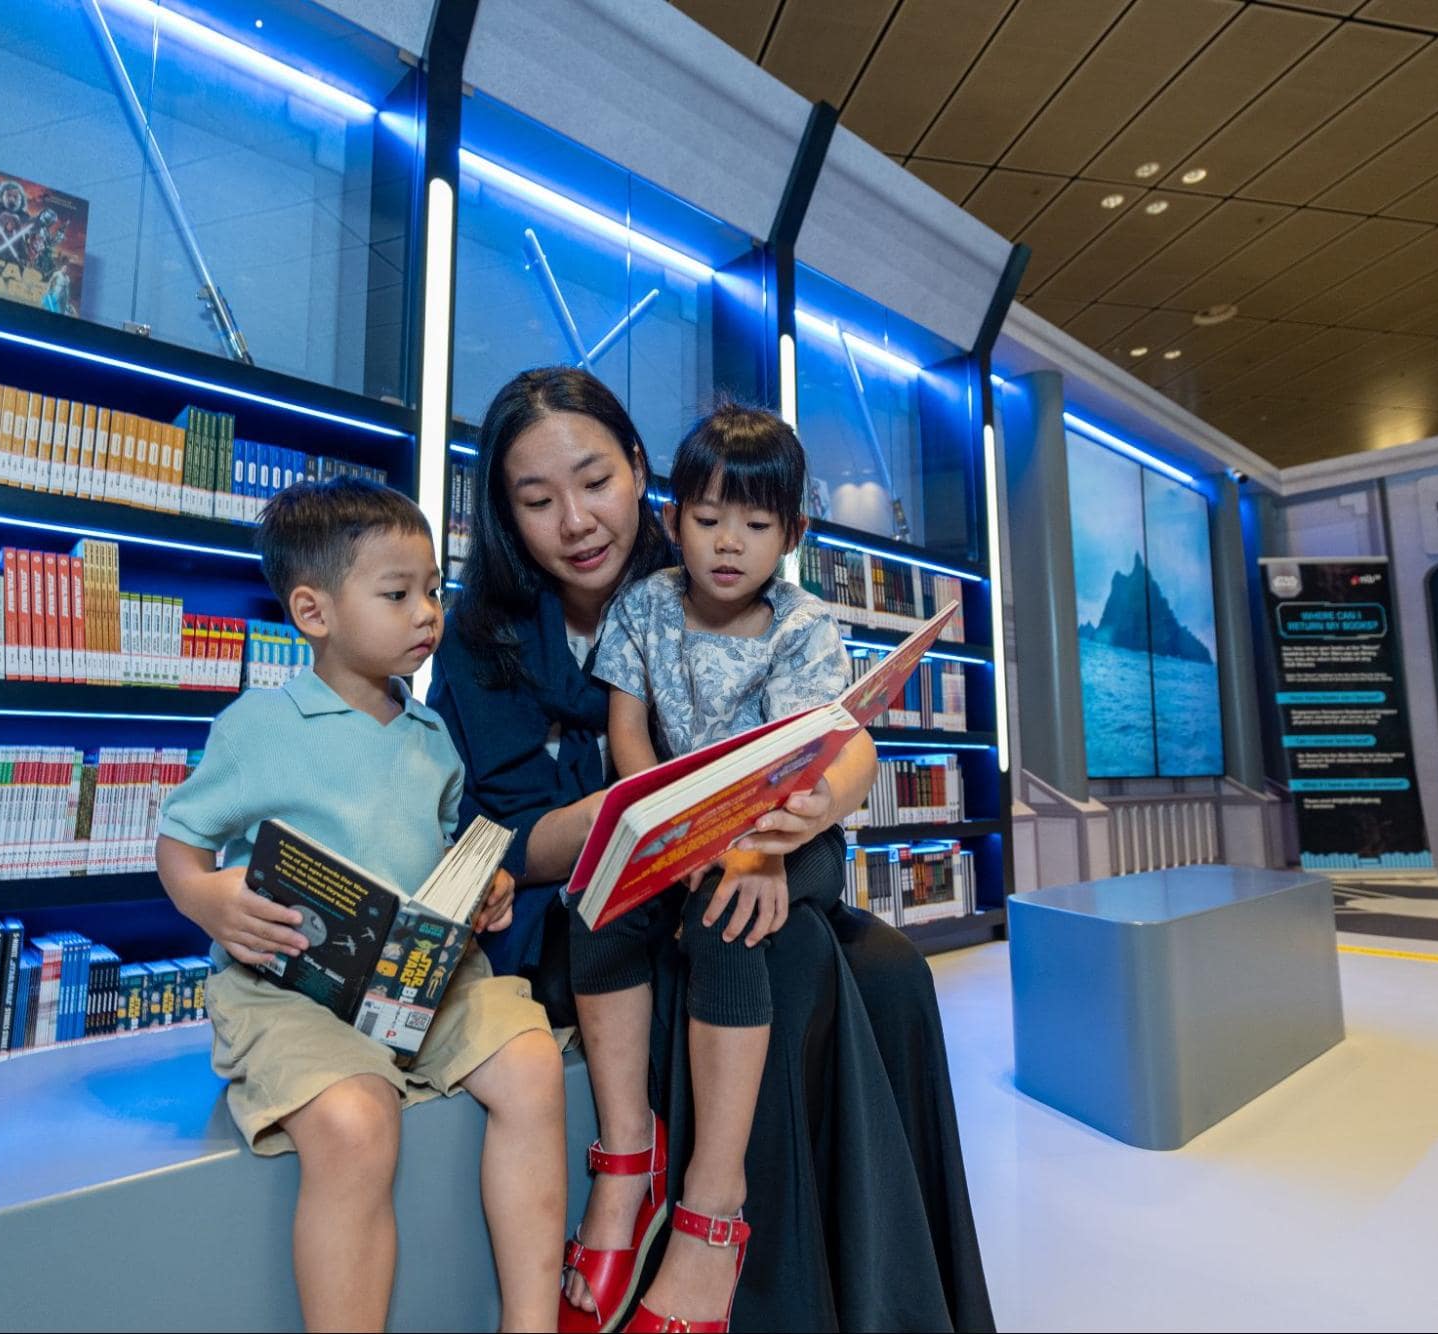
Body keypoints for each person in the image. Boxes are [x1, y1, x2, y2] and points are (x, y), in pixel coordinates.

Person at [429, 368, 994, 1332]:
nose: (574, 520)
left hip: (742, 850)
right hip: (584, 898)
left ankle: (876, 1289)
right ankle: (709, 1231)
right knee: (793, 956)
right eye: (535, 500)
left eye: (595, 480)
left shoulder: (714, 553)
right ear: (502, 514)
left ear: (641, 471)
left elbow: (834, 732)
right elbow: (513, 839)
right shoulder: (483, 640)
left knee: (893, 968)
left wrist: (805, 805)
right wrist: (657, 819)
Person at [156, 477, 567, 1333]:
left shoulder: (433, 737)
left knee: (531, 1066)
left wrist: (482, 887)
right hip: (285, 991)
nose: (426, 614)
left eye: (431, 592)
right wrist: (206, 900)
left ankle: (529, 1322)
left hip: (424, 983)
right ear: (313, 611)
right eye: (397, 594)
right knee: (353, 1121)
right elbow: (180, 844)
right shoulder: (259, 726)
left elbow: (445, 848)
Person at [568, 403, 866, 1331]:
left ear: (794, 534)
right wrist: (659, 829)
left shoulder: (804, 626)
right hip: (684, 830)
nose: (727, 545)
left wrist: (771, 843)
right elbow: (627, 727)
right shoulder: (646, 605)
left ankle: (713, 1204)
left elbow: (838, 749)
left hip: (787, 842)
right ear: (671, 521)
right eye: (705, 521)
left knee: (730, 918)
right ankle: (628, 1159)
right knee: (597, 898)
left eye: (756, 525)